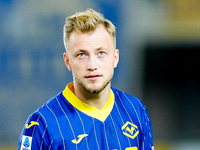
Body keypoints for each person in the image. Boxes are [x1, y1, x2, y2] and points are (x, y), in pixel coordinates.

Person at [18, 8, 154, 150]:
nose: (92, 65)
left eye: (101, 53)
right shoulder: (41, 124)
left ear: (115, 58)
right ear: (67, 61)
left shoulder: (136, 110)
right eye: (81, 55)